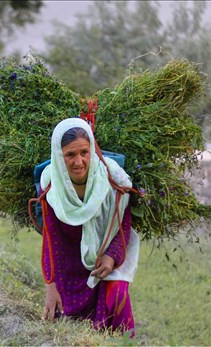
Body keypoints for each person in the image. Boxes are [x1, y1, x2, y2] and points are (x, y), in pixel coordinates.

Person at [38, 118, 139, 335]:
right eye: (70, 155)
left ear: (91, 150)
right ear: (58, 156)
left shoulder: (114, 180)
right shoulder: (51, 188)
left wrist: (112, 256)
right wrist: (51, 285)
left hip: (105, 263)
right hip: (69, 270)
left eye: (84, 152)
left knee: (117, 296)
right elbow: (51, 239)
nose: (79, 162)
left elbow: (123, 224)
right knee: (67, 325)